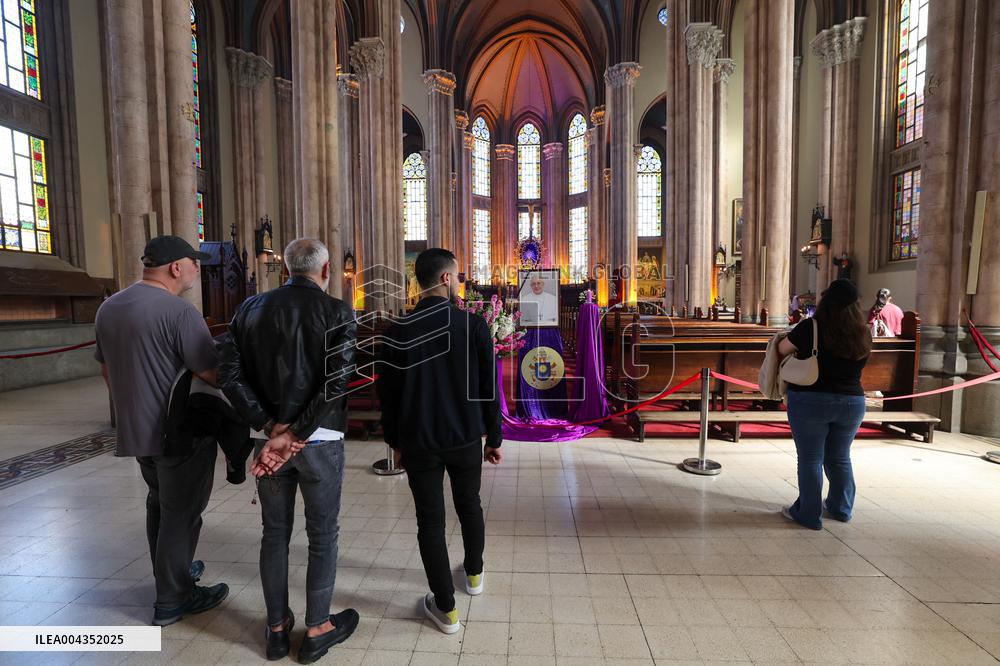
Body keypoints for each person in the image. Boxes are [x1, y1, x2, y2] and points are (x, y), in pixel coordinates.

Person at [219, 238, 359, 663]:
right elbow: (337, 383)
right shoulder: (337, 310)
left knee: (274, 534)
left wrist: (269, 426)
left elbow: (228, 375)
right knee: (322, 534)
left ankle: (276, 629)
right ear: (326, 269)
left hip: (270, 443)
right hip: (320, 441)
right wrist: (295, 431)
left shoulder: (249, 309)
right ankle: (317, 628)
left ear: (284, 269)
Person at [94, 235, 229, 626]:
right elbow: (211, 373)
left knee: (159, 503)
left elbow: (106, 369)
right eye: (194, 264)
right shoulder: (179, 312)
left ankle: (172, 573)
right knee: (181, 513)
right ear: (175, 268)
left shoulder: (109, 308)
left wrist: (131, 408)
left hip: (136, 430)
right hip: (178, 430)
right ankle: (173, 598)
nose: (196, 271)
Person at [377, 248, 503, 634]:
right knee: (470, 505)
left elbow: (389, 394)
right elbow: (489, 388)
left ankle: (446, 610)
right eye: (459, 276)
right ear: (446, 278)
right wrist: (493, 436)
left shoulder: (397, 330)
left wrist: (395, 441)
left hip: (418, 441)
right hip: (465, 437)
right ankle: (475, 576)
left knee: (430, 522)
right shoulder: (473, 326)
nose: (460, 281)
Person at [778, 279, 872, 530]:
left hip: (811, 400)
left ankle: (809, 514)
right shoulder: (863, 331)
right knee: (840, 457)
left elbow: (782, 347)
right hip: (852, 401)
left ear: (826, 300)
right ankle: (841, 508)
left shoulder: (811, 327)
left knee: (810, 458)